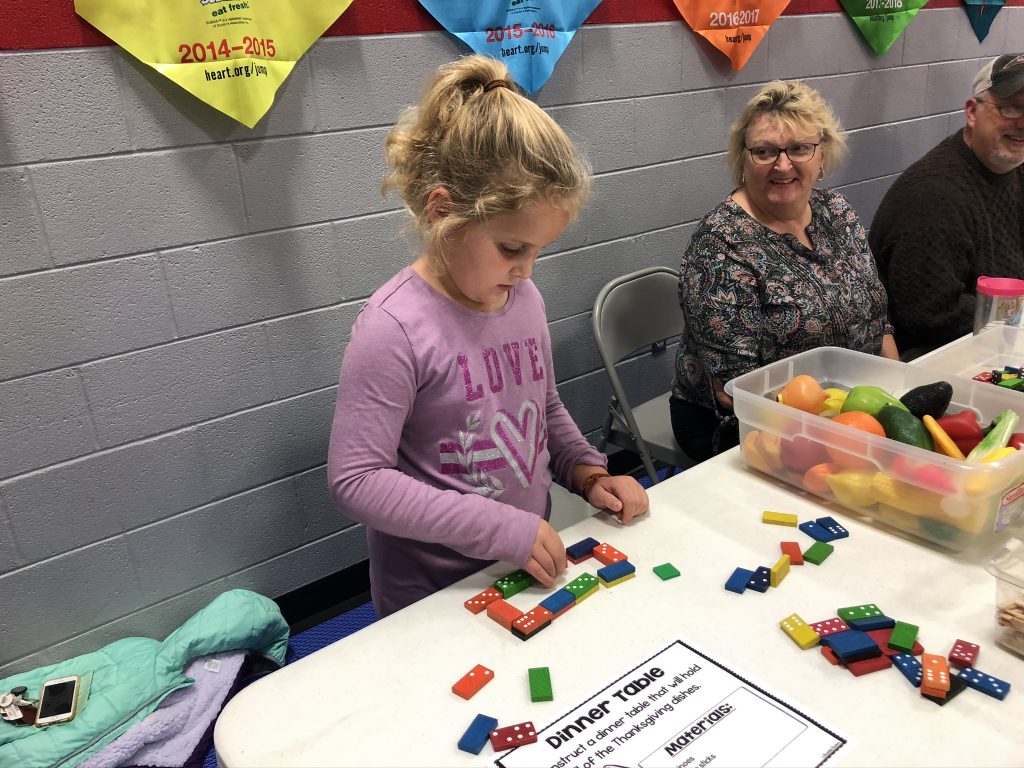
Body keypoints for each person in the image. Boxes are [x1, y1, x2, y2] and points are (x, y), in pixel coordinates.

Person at [328, 55, 649, 618]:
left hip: (521, 568)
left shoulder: (522, 296)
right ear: (443, 212)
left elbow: (541, 408)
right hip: (432, 598)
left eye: (538, 251)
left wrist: (586, 470)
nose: (527, 270)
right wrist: (497, 526)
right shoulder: (392, 329)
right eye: (511, 248)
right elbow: (357, 480)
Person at [670, 80, 898, 464]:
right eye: (764, 151)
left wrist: (898, 401)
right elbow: (735, 389)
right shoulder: (720, 245)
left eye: (799, 148)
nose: (782, 164)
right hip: (744, 423)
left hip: (850, 407)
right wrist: (845, 431)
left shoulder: (836, 211)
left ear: (822, 153)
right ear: (744, 159)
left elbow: (879, 321)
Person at [870, 54, 1024, 357]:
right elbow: (931, 315)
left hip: (1001, 340)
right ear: (972, 111)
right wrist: (1015, 312)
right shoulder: (932, 196)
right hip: (938, 356)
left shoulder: (1015, 169)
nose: (1022, 122)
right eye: (1011, 107)